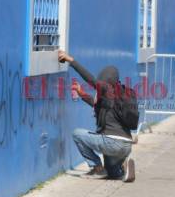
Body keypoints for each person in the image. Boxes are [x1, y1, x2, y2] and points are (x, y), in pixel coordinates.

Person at [58, 51, 135, 182]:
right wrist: (82, 94)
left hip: (111, 143)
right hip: (127, 145)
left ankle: (97, 168)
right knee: (111, 174)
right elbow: (98, 106)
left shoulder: (106, 90)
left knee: (77, 134)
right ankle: (123, 168)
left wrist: (71, 61)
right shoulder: (124, 94)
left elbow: (90, 79)